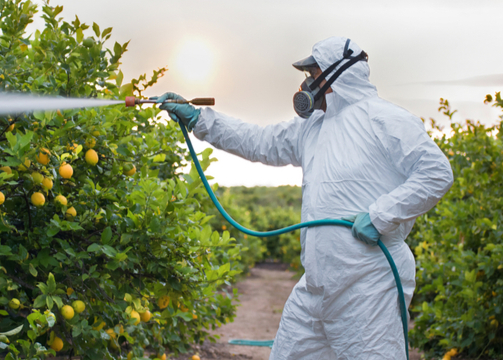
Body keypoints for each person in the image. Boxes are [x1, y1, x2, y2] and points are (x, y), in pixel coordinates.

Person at [153, 37, 453, 359]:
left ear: (335, 76)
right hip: (316, 287)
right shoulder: (313, 128)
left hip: (369, 285)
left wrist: (381, 215)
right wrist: (200, 120)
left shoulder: (385, 119)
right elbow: (259, 141)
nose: (306, 83)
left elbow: (436, 173)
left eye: (312, 73)